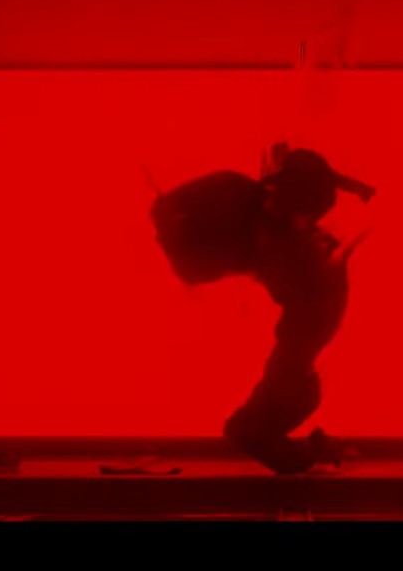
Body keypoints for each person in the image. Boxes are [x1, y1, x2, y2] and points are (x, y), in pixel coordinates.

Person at [150, 144, 375, 474]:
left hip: (302, 306)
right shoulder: (234, 202)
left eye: (305, 217)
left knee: (297, 371)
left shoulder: (271, 224)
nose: (300, 223)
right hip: (298, 307)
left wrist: (351, 185)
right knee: (297, 373)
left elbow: (302, 179)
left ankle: (264, 428)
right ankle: (262, 428)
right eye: (296, 214)